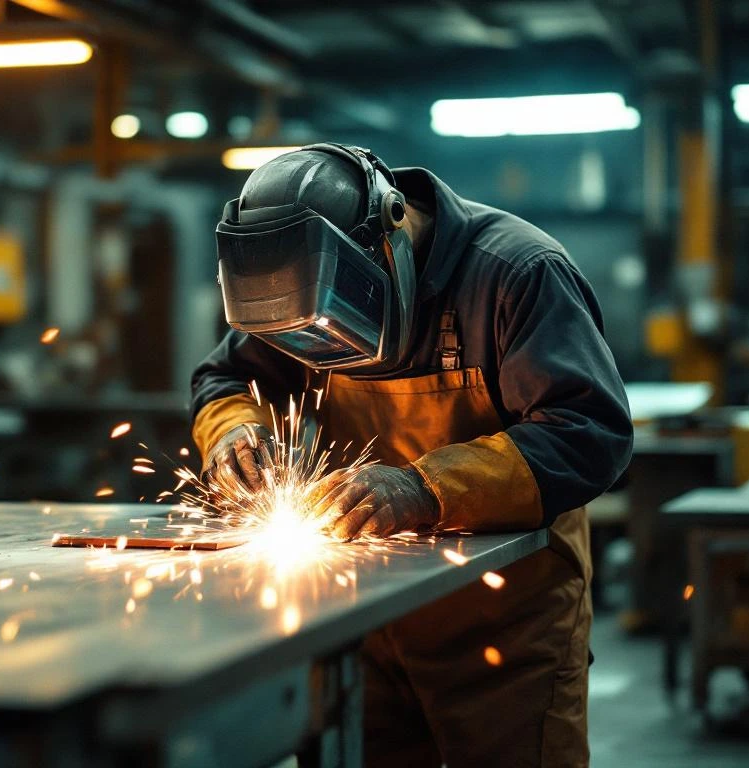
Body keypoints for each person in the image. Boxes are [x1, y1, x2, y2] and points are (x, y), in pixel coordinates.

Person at [190, 143, 632, 767]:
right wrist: (235, 433)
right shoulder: (294, 284)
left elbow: (588, 431)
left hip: (504, 624)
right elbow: (227, 379)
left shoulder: (517, 272)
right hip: (360, 613)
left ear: (391, 235)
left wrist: (423, 489)